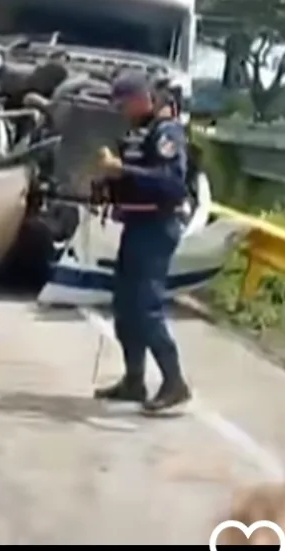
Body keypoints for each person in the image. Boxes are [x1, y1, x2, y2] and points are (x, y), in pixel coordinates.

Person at [93, 71, 192, 413]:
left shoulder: (167, 132)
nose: (122, 112)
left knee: (145, 306)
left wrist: (123, 171)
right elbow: (132, 177)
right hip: (135, 225)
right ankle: (134, 380)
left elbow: (171, 183)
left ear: (139, 98)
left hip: (157, 227)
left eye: (124, 104)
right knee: (124, 305)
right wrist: (108, 183)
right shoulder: (139, 133)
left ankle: (174, 380)